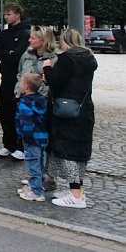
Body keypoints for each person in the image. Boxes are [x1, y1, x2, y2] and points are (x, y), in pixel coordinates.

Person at [43, 29, 97, 209]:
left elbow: (55, 81)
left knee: (68, 151)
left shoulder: (67, 59)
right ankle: (77, 190)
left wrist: (47, 68)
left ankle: (76, 195)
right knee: (79, 151)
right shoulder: (88, 58)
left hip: (66, 111)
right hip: (83, 110)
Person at [0, 3, 30, 160]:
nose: (6, 16)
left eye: (9, 14)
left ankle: (21, 146)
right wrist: (8, 53)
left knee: (18, 113)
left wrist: (7, 54)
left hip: (19, 78)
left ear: (17, 15)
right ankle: (8, 144)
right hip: (6, 77)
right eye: (5, 14)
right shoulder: (4, 33)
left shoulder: (25, 33)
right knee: (5, 112)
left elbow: (18, 55)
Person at [15, 73, 48, 202]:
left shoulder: (25, 102)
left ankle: (36, 191)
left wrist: (23, 135)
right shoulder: (41, 99)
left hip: (31, 137)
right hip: (41, 136)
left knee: (32, 163)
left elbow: (25, 121)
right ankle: (35, 185)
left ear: (26, 86)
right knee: (38, 162)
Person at [15, 25, 57, 99]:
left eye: (33, 38)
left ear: (43, 40)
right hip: (24, 98)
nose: (29, 40)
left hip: (43, 100)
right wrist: (18, 90)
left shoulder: (55, 58)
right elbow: (20, 73)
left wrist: (42, 94)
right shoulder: (27, 54)